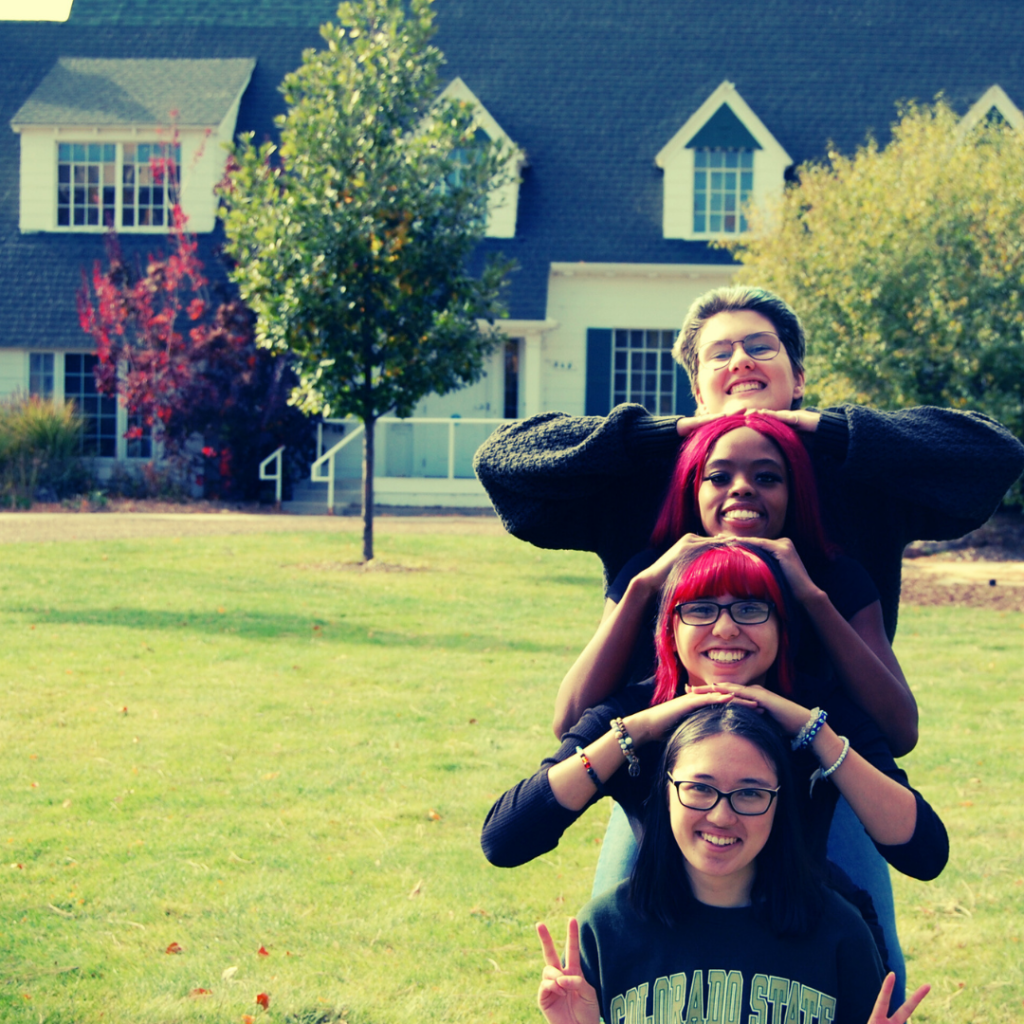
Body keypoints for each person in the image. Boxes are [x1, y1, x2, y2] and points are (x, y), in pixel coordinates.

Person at [552, 413, 918, 997]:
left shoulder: (828, 576)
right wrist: (646, 584)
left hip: (805, 791)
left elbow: (899, 730)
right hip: (672, 786)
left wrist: (808, 594)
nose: (741, 489)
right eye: (718, 476)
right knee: (637, 920)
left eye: (766, 477)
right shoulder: (657, 569)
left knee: (856, 940)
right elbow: (568, 722)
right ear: (691, 490)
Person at [473, 285, 1024, 644]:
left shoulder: (859, 470)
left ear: (798, 376)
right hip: (671, 759)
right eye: (720, 353)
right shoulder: (645, 474)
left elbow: (993, 454)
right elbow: (502, 462)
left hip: (834, 750)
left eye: (761, 347)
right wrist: (648, 436)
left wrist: (831, 428)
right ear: (696, 387)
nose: (741, 359)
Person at [481, 542, 948, 890]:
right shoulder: (631, 712)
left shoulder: (823, 711)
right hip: (664, 948)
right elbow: (506, 840)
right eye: (701, 609)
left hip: (799, 947)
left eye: (750, 608)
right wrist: (637, 730)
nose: (726, 628)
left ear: (781, 629)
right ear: (671, 630)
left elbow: (924, 853)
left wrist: (812, 731)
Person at [533, 714, 933, 1024]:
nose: (722, 816)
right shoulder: (605, 930)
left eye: (750, 793)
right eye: (700, 788)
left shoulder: (839, 933)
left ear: (779, 805)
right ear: (666, 793)